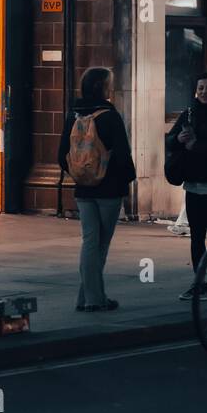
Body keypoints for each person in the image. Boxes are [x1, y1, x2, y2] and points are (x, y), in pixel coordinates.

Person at [57, 67, 136, 312]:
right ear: (103, 87)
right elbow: (123, 155)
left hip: (84, 190)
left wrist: (81, 174)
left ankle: (88, 297)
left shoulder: (74, 115)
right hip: (109, 190)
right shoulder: (110, 116)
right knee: (100, 246)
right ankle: (94, 299)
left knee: (89, 241)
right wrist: (126, 181)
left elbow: (62, 155)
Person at [166, 73, 207, 300]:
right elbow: (170, 140)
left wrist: (196, 146)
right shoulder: (189, 113)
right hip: (192, 184)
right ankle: (198, 280)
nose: (204, 92)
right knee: (196, 236)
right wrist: (179, 140)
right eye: (201, 88)